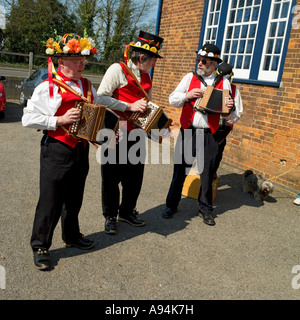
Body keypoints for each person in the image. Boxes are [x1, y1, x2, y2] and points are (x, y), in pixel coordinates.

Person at [22, 33, 98, 270]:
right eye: (76, 61)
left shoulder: (87, 85)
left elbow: (96, 113)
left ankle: (72, 236)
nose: (82, 65)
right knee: (50, 199)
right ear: (60, 62)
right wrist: (59, 119)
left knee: (74, 196)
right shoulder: (48, 87)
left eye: (83, 61)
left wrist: (106, 132)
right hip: (57, 148)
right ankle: (41, 245)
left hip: (80, 148)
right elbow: (28, 118)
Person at [97, 30, 164, 235]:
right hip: (115, 133)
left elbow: (147, 105)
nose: (154, 64)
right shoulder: (116, 69)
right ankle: (110, 216)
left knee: (134, 178)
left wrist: (160, 124)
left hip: (137, 134)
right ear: (142, 57)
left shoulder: (146, 75)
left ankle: (126, 212)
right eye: (153, 60)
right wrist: (128, 106)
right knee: (110, 178)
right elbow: (100, 98)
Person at [163, 43, 234, 226]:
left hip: (210, 134)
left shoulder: (224, 82)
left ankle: (206, 209)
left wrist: (230, 109)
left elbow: (231, 114)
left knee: (207, 173)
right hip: (189, 131)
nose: (200, 64)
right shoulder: (189, 77)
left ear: (214, 64)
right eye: (199, 60)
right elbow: (173, 99)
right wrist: (188, 95)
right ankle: (171, 205)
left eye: (204, 61)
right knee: (180, 170)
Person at [213, 62, 243, 177]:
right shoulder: (210, 86)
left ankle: (212, 173)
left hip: (223, 127)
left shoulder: (234, 90)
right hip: (208, 124)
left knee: (218, 151)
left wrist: (233, 119)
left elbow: (239, 110)